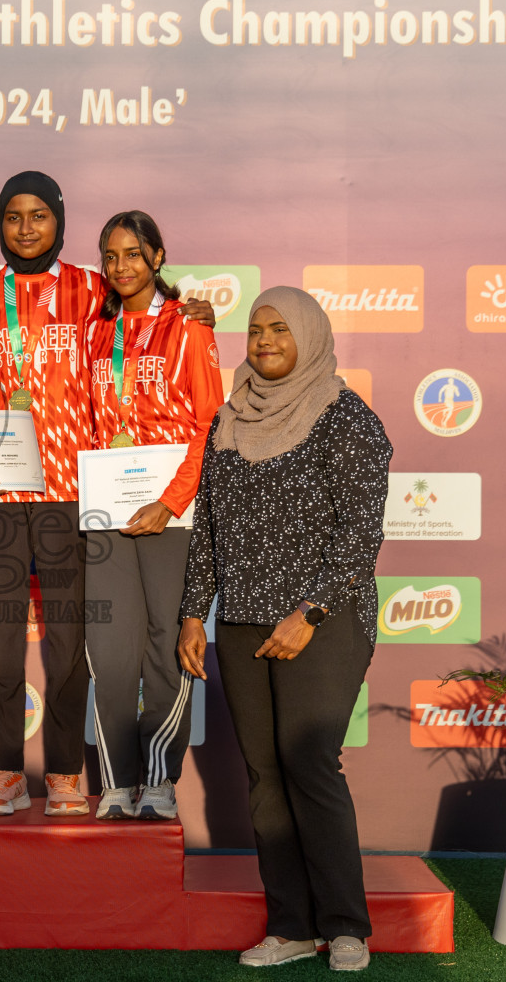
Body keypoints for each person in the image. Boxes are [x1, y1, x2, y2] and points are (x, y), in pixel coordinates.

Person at [176, 287, 391, 971]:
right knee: (265, 775)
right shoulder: (229, 419)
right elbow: (207, 527)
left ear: (310, 335)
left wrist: (311, 612)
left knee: (308, 763)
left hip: (322, 622)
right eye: (256, 328)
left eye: (279, 329)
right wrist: (191, 611)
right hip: (241, 619)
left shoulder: (345, 417)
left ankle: (347, 925)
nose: (264, 339)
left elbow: (360, 534)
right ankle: (292, 924)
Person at [0, 171, 97, 816]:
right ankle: (5, 771)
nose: (27, 227)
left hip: (69, 489)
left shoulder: (93, 291)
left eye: (39, 215)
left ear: (59, 221)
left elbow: (151, 320)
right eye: (14, 216)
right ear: (0, 225)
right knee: (2, 638)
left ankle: (66, 773)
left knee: (68, 640)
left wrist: (190, 309)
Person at [81, 211, 222, 821]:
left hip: (173, 513)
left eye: (133, 254)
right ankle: (117, 780)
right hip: (106, 513)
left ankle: (160, 779)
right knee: (110, 651)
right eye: (110, 256)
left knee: (168, 647)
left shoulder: (187, 327)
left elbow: (208, 424)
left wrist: (170, 501)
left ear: (158, 257)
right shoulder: (92, 332)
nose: (121, 267)